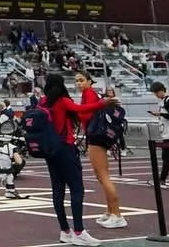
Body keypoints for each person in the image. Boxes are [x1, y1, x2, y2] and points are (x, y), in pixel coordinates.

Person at [39, 72, 115, 246]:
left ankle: (65, 230)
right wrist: (102, 103)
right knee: (76, 188)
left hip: (49, 149)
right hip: (65, 147)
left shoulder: (42, 102)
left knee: (57, 189)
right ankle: (79, 231)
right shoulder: (63, 101)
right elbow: (80, 110)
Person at [72, 71, 124, 230]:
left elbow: (87, 115)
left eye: (81, 80)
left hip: (95, 136)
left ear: (89, 81)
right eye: (76, 81)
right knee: (101, 176)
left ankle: (117, 214)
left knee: (103, 175)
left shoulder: (89, 93)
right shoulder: (89, 94)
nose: (78, 83)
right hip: (94, 135)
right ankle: (110, 211)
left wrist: (76, 113)